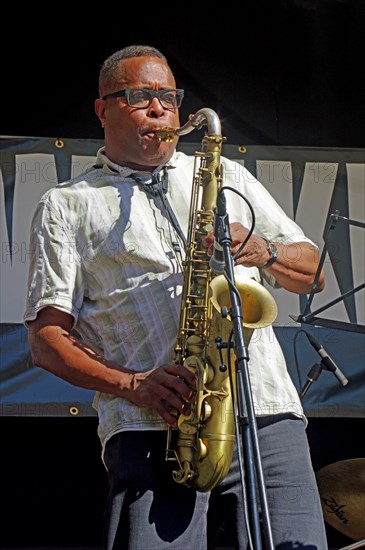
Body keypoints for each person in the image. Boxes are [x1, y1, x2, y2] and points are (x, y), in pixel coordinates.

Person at [25, 45, 327, 549]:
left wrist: (260, 248)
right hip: (151, 428)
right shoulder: (65, 205)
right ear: (103, 109)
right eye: (140, 96)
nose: (160, 109)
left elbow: (313, 272)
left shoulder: (224, 175)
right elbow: (46, 341)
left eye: (169, 96)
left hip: (267, 415)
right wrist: (134, 383)